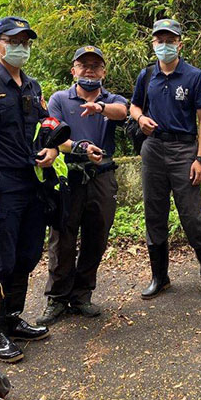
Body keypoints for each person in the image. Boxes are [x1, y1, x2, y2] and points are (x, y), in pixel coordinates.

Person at [0, 17, 103, 363]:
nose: (21, 46)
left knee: (27, 255)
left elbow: (47, 129)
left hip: (33, 184)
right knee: (1, 260)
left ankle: (13, 318)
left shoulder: (32, 87)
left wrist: (62, 149)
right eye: (14, 40)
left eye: (25, 41)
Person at [36, 45, 128, 325]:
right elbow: (53, 136)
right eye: (83, 65)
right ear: (73, 70)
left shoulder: (112, 99)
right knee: (62, 237)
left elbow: (122, 112)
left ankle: (82, 294)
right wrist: (80, 147)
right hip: (68, 176)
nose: (89, 70)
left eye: (95, 65)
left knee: (96, 236)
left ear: (104, 71)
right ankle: (57, 297)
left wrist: (99, 107)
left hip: (102, 176)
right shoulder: (60, 99)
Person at [129, 18, 201, 301]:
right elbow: (134, 106)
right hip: (153, 149)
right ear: (153, 43)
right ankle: (160, 277)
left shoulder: (193, 76)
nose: (164, 46)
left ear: (179, 43)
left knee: (192, 216)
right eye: (160, 41)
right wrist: (141, 118)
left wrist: (200, 158)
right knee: (154, 215)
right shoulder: (146, 75)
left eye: (170, 40)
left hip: (183, 151)